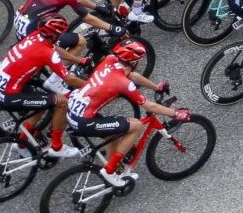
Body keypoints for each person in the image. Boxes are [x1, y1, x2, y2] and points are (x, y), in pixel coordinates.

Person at [63, 39, 189, 186]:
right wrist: (175, 113)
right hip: (84, 120)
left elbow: (133, 75)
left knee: (112, 133)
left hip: (72, 110)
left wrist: (156, 87)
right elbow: (149, 106)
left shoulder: (110, 59)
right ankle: (109, 171)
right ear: (134, 62)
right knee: (136, 125)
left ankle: (116, 166)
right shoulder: (124, 83)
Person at [0, 16, 86, 159]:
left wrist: (79, 60)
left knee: (42, 102)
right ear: (54, 35)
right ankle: (57, 147)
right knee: (61, 102)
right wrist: (91, 86)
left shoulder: (35, 35)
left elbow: (55, 48)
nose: (61, 36)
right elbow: (69, 79)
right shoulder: (46, 53)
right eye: (60, 34)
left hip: (0, 86)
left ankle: (21, 143)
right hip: (9, 95)